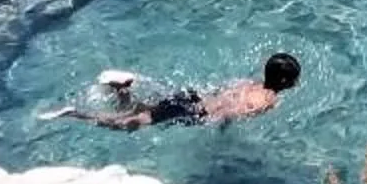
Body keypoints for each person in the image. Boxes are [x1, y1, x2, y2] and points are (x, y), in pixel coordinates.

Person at [46, 52, 300, 130]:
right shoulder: (269, 100)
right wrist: (221, 127)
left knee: (139, 110)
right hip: (195, 111)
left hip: (194, 96)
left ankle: (122, 87)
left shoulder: (251, 82)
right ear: (286, 81)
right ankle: (73, 114)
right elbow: (234, 111)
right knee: (126, 124)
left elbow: (227, 93)